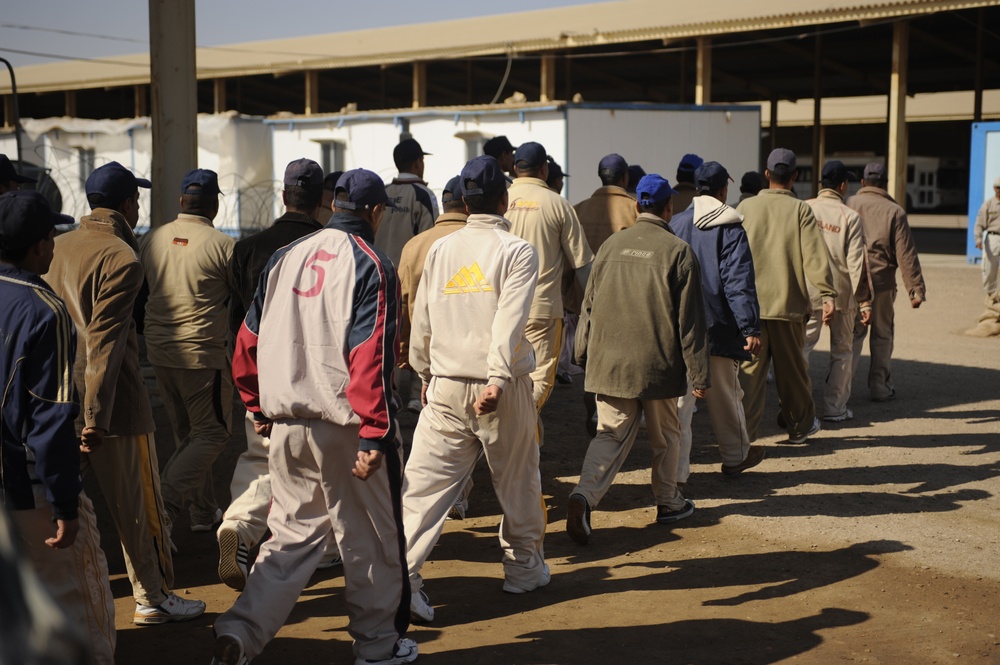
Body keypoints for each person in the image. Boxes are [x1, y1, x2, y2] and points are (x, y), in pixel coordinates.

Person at [212, 169, 415, 665]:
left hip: (285, 422)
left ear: (334, 203)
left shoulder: (286, 256)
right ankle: (378, 645)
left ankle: (240, 632)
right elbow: (368, 354)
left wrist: (255, 405)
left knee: (289, 538)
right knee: (368, 539)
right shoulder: (372, 262)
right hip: (344, 426)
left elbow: (247, 342)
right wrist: (376, 433)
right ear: (375, 212)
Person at [45, 161, 205, 625]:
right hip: (113, 406)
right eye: (136, 198)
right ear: (126, 204)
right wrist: (96, 414)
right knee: (139, 509)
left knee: (51, 503)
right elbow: (105, 344)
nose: (138, 205)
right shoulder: (121, 256)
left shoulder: (54, 247)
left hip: (54, 402)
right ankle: (152, 596)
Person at [402, 155, 547, 622]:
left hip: (444, 385)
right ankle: (523, 568)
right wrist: (499, 378)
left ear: (464, 201)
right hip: (498, 388)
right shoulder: (517, 251)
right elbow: (509, 319)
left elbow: (421, 318)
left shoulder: (442, 250)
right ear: (504, 200)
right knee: (518, 478)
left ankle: (400, 579)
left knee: (422, 490)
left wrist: (424, 375)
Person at [0, 190, 116, 663]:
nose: (54, 246)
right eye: (50, 237)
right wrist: (66, 505)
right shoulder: (42, 308)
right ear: (35, 248)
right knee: (77, 605)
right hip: (30, 489)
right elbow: (49, 418)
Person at [567, 174, 709, 545]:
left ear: (636, 207)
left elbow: (589, 308)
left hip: (609, 365)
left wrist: (581, 353)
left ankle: (583, 495)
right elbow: (689, 323)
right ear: (668, 208)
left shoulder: (611, 246)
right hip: (657, 369)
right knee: (667, 438)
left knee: (610, 435)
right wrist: (699, 374)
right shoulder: (677, 251)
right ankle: (668, 501)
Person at [218, 158, 339, 591]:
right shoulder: (330, 246)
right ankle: (262, 532)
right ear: (323, 200)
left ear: (285, 196)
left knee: (260, 456)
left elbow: (236, 322)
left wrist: (243, 375)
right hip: (312, 371)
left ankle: (239, 526)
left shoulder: (247, 249)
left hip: (258, 369)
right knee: (312, 462)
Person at [139, 169, 235, 536]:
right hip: (201, 355)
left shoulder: (152, 238)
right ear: (213, 205)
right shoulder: (223, 245)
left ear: (182, 201)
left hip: (160, 351)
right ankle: (160, 508)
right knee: (212, 434)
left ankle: (202, 511)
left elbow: (140, 292)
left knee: (189, 437)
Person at [669, 162, 765, 483]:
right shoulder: (729, 225)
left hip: (680, 326)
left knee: (681, 404)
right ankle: (736, 455)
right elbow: (737, 280)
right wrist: (749, 326)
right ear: (724, 190)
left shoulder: (676, 222)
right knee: (726, 394)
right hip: (718, 325)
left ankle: (677, 474)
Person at [736, 148, 836, 443]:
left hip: (750, 310)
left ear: (766, 175)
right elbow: (814, 257)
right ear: (795, 177)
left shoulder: (745, 208)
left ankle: (744, 438)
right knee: (793, 375)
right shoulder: (801, 210)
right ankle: (800, 428)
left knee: (749, 379)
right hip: (788, 308)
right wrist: (828, 294)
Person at [506, 141, 594, 443]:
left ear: (514, 167)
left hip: (501, 308)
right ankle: (517, 434)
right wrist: (598, 306)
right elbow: (582, 263)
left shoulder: (500, 200)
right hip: (543, 308)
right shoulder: (557, 203)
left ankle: (526, 443)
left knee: (507, 376)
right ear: (544, 169)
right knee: (540, 380)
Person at [847, 162, 926, 402]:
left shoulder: (848, 204)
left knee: (852, 336)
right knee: (882, 335)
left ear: (863, 183)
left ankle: (842, 391)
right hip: (881, 283)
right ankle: (880, 387)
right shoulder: (895, 211)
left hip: (852, 282)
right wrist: (915, 289)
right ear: (884, 185)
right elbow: (906, 253)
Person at [804, 161, 872, 422]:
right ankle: (835, 409)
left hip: (808, 293)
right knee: (842, 351)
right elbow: (857, 264)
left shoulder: (804, 209)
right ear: (843, 185)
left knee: (801, 349)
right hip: (842, 296)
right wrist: (865, 302)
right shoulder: (850, 217)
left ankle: (795, 407)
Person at [397, 176, 468, 414]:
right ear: (468, 204)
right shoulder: (478, 241)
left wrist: (405, 349)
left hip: (427, 351)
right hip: (469, 357)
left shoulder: (414, 245)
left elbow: (403, 301)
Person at [377, 137, 438, 267]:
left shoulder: (381, 192)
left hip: (379, 273)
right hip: (408, 277)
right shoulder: (424, 195)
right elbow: (431, 239)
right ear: (418, 163)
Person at [574, 153, 637, 252]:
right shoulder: (636, 208)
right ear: (625, 177)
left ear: (600, 176)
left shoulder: (577, 209)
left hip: (585, 267)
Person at [973, 176, 1000, 294]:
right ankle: (991, 297)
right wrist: (978, 239)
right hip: (993, 239)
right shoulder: (988, 205)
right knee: (990, 269)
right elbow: (979, 224)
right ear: (994, 188)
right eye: (998, 187)